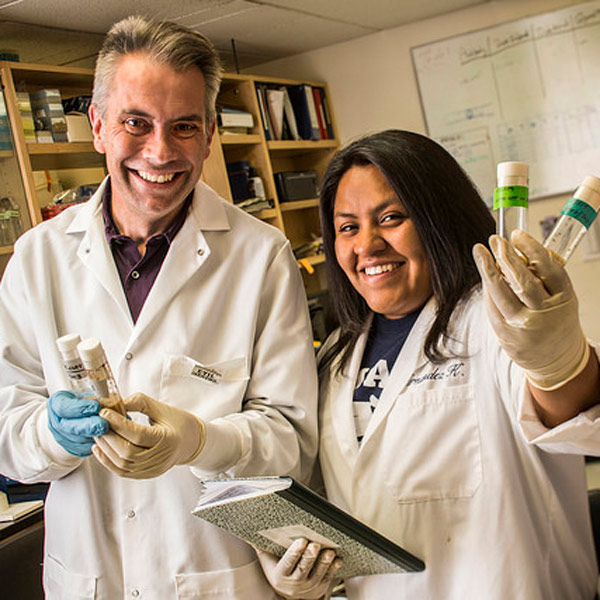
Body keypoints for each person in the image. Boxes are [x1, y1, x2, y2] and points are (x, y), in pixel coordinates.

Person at [0, 16, 318, 600]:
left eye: (184, 126)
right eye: (135, 123)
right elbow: (5, 426)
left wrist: (198, 441)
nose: (160, 151)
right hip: (91, 576)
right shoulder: (37, 258)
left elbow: (291, 442)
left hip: (217, 576)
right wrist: (49, 434)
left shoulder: (261, 255)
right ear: (98, 126)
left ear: (211, 134)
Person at [258, 129, 600, 599]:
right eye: (348, 227)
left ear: (438, 219)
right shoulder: (334, 358)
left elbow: (574, 418)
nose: (368, 245)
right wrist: (297, 567)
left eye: (392, 218)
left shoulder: (494, 318)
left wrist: (559, 363)